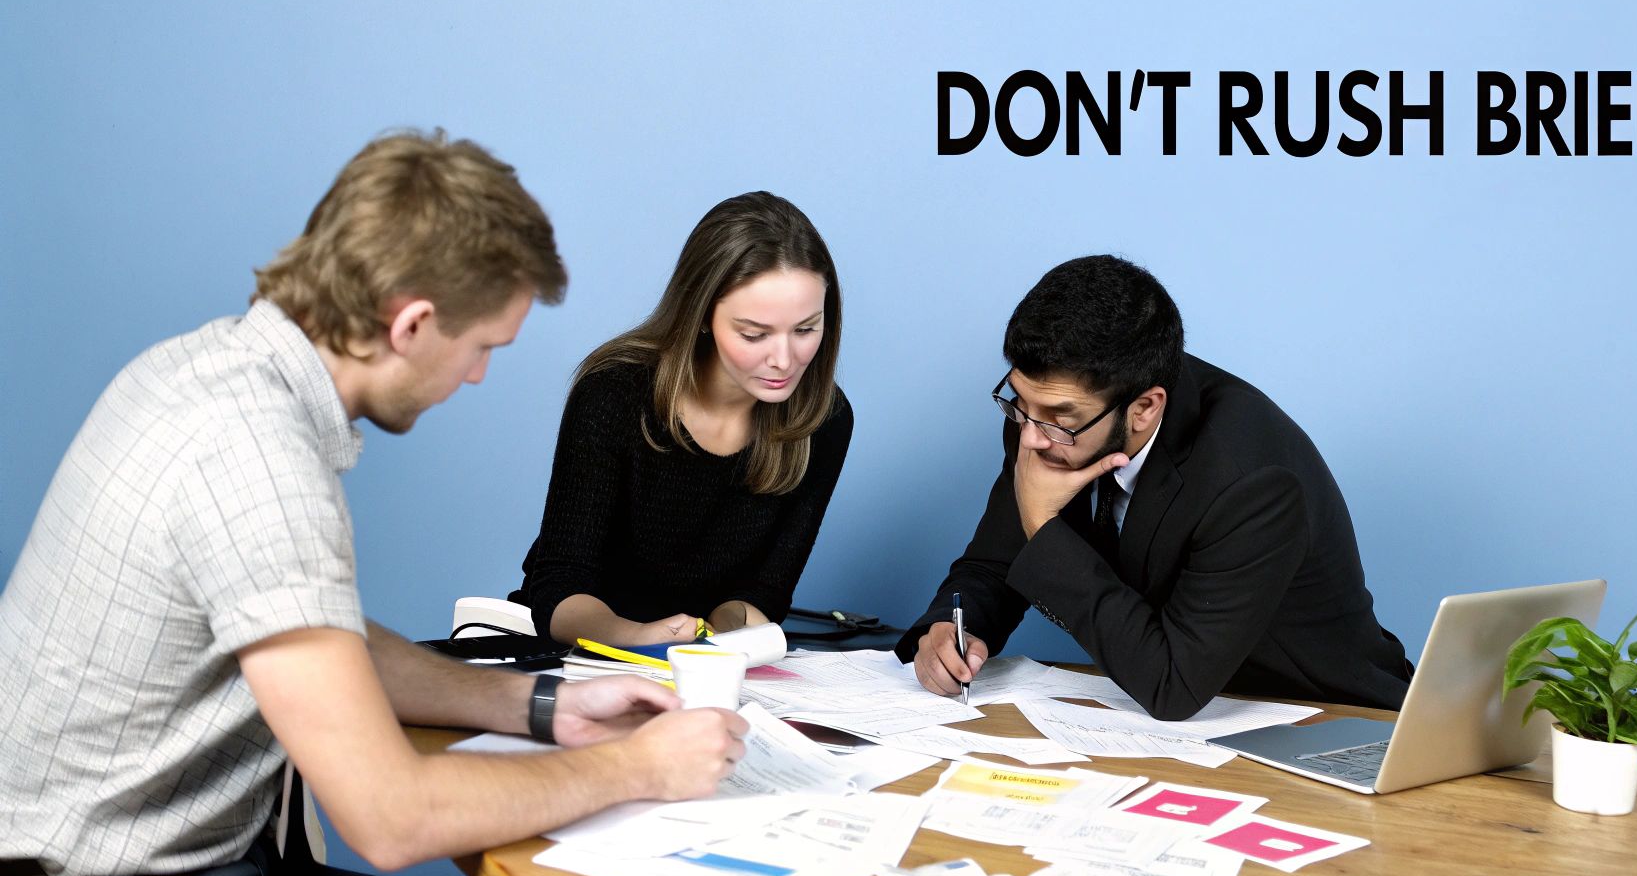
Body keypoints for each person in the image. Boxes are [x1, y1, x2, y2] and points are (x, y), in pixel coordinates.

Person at [0, 131, 748, 876]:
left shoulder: (199, 371)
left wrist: (541, 706)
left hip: (198, 873)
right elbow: (392, 819)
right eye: (482, 346)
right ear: (413, 323)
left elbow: (326, 642)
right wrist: (639, 769)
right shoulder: (255, 462)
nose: (478, 375)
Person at [897, 255, 1413, 720]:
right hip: (1177, 726)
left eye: (1059, 419)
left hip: (1331, 715)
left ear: (1145, 408)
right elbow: (995, 561)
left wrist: (1042, 524)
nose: (1030, 437)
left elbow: (1172, 686)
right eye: (1019, 404)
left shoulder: (1251, 479)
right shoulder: (1049, 416)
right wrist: (948, 626)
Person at [512, 191, 852, 647]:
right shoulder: (615, 393)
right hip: (578, 653)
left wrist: (719, 636)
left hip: (699, 664)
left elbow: (764, 594)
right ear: (703, 315)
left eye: (806, 329)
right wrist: (642, 638)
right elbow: (559, 587)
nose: (784, 360)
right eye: (754, 333)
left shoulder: (824, 419)